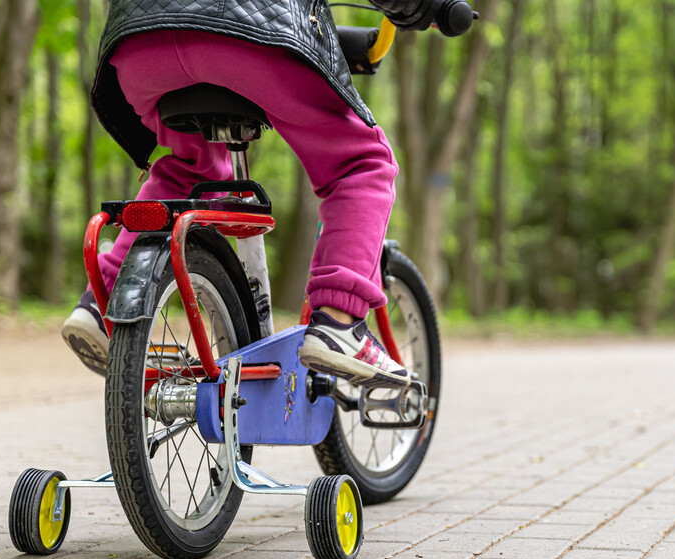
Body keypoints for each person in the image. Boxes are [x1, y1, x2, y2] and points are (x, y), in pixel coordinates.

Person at [61, 0, 449, 389]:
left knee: (194, 164)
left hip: (139, 45)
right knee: (362, 163)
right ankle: (339, 321)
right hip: (247, 36)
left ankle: (106, 299)